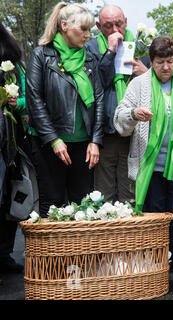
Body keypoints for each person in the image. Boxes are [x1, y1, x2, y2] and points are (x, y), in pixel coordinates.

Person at [114, 36, 173, 267]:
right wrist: (134, 114)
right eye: (160, 62)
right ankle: (155, 261)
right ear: (151, 62)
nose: (166, 67)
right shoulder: (138, 84)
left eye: (170, 61)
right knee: (155, 216)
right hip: (150, 165)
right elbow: (119, 119)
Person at [26, 2, 104, 216]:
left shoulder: (89, 58)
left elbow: (98, 100)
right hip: (49, 146)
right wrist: (53, 139)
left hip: (84, 147)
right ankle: (48, 251)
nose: (88, 35)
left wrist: (95, 140)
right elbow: (35, 100)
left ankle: (79, 251)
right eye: (83, 29)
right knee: (52, 207)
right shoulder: (41, 55)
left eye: (90, 30)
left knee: (83, 209)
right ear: (64, 26)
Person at [85, 5, 147, 204]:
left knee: (131, 193)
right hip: (105, 131)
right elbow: (98, 83)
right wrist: (111, 50)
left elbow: (156, 84)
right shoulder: (91, 48)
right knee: (104, 194)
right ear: (98, 26)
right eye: (108, 26)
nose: (115, 31)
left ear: (126, 22)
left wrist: (146, 73)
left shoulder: (141, 47)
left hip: (135, 131)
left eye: (119, 24)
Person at [0, 23, 27, 274]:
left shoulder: (11, 62)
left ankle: (4, 254)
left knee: (9, 198)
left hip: (10, 138)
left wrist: (14, 101)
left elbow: (25, 99)